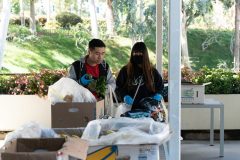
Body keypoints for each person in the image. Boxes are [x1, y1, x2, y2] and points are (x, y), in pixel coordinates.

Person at [115, 42, 164, 110]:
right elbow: (118, 88)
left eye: (140, 53)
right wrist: (124, 96)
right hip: (130, 108)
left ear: (145, 54)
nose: (137, 55)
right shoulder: (125, 70)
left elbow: (160, 88)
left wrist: (158, 95)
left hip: (149, 109)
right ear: (132, 54)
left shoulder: (152, 72)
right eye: (135, 53)